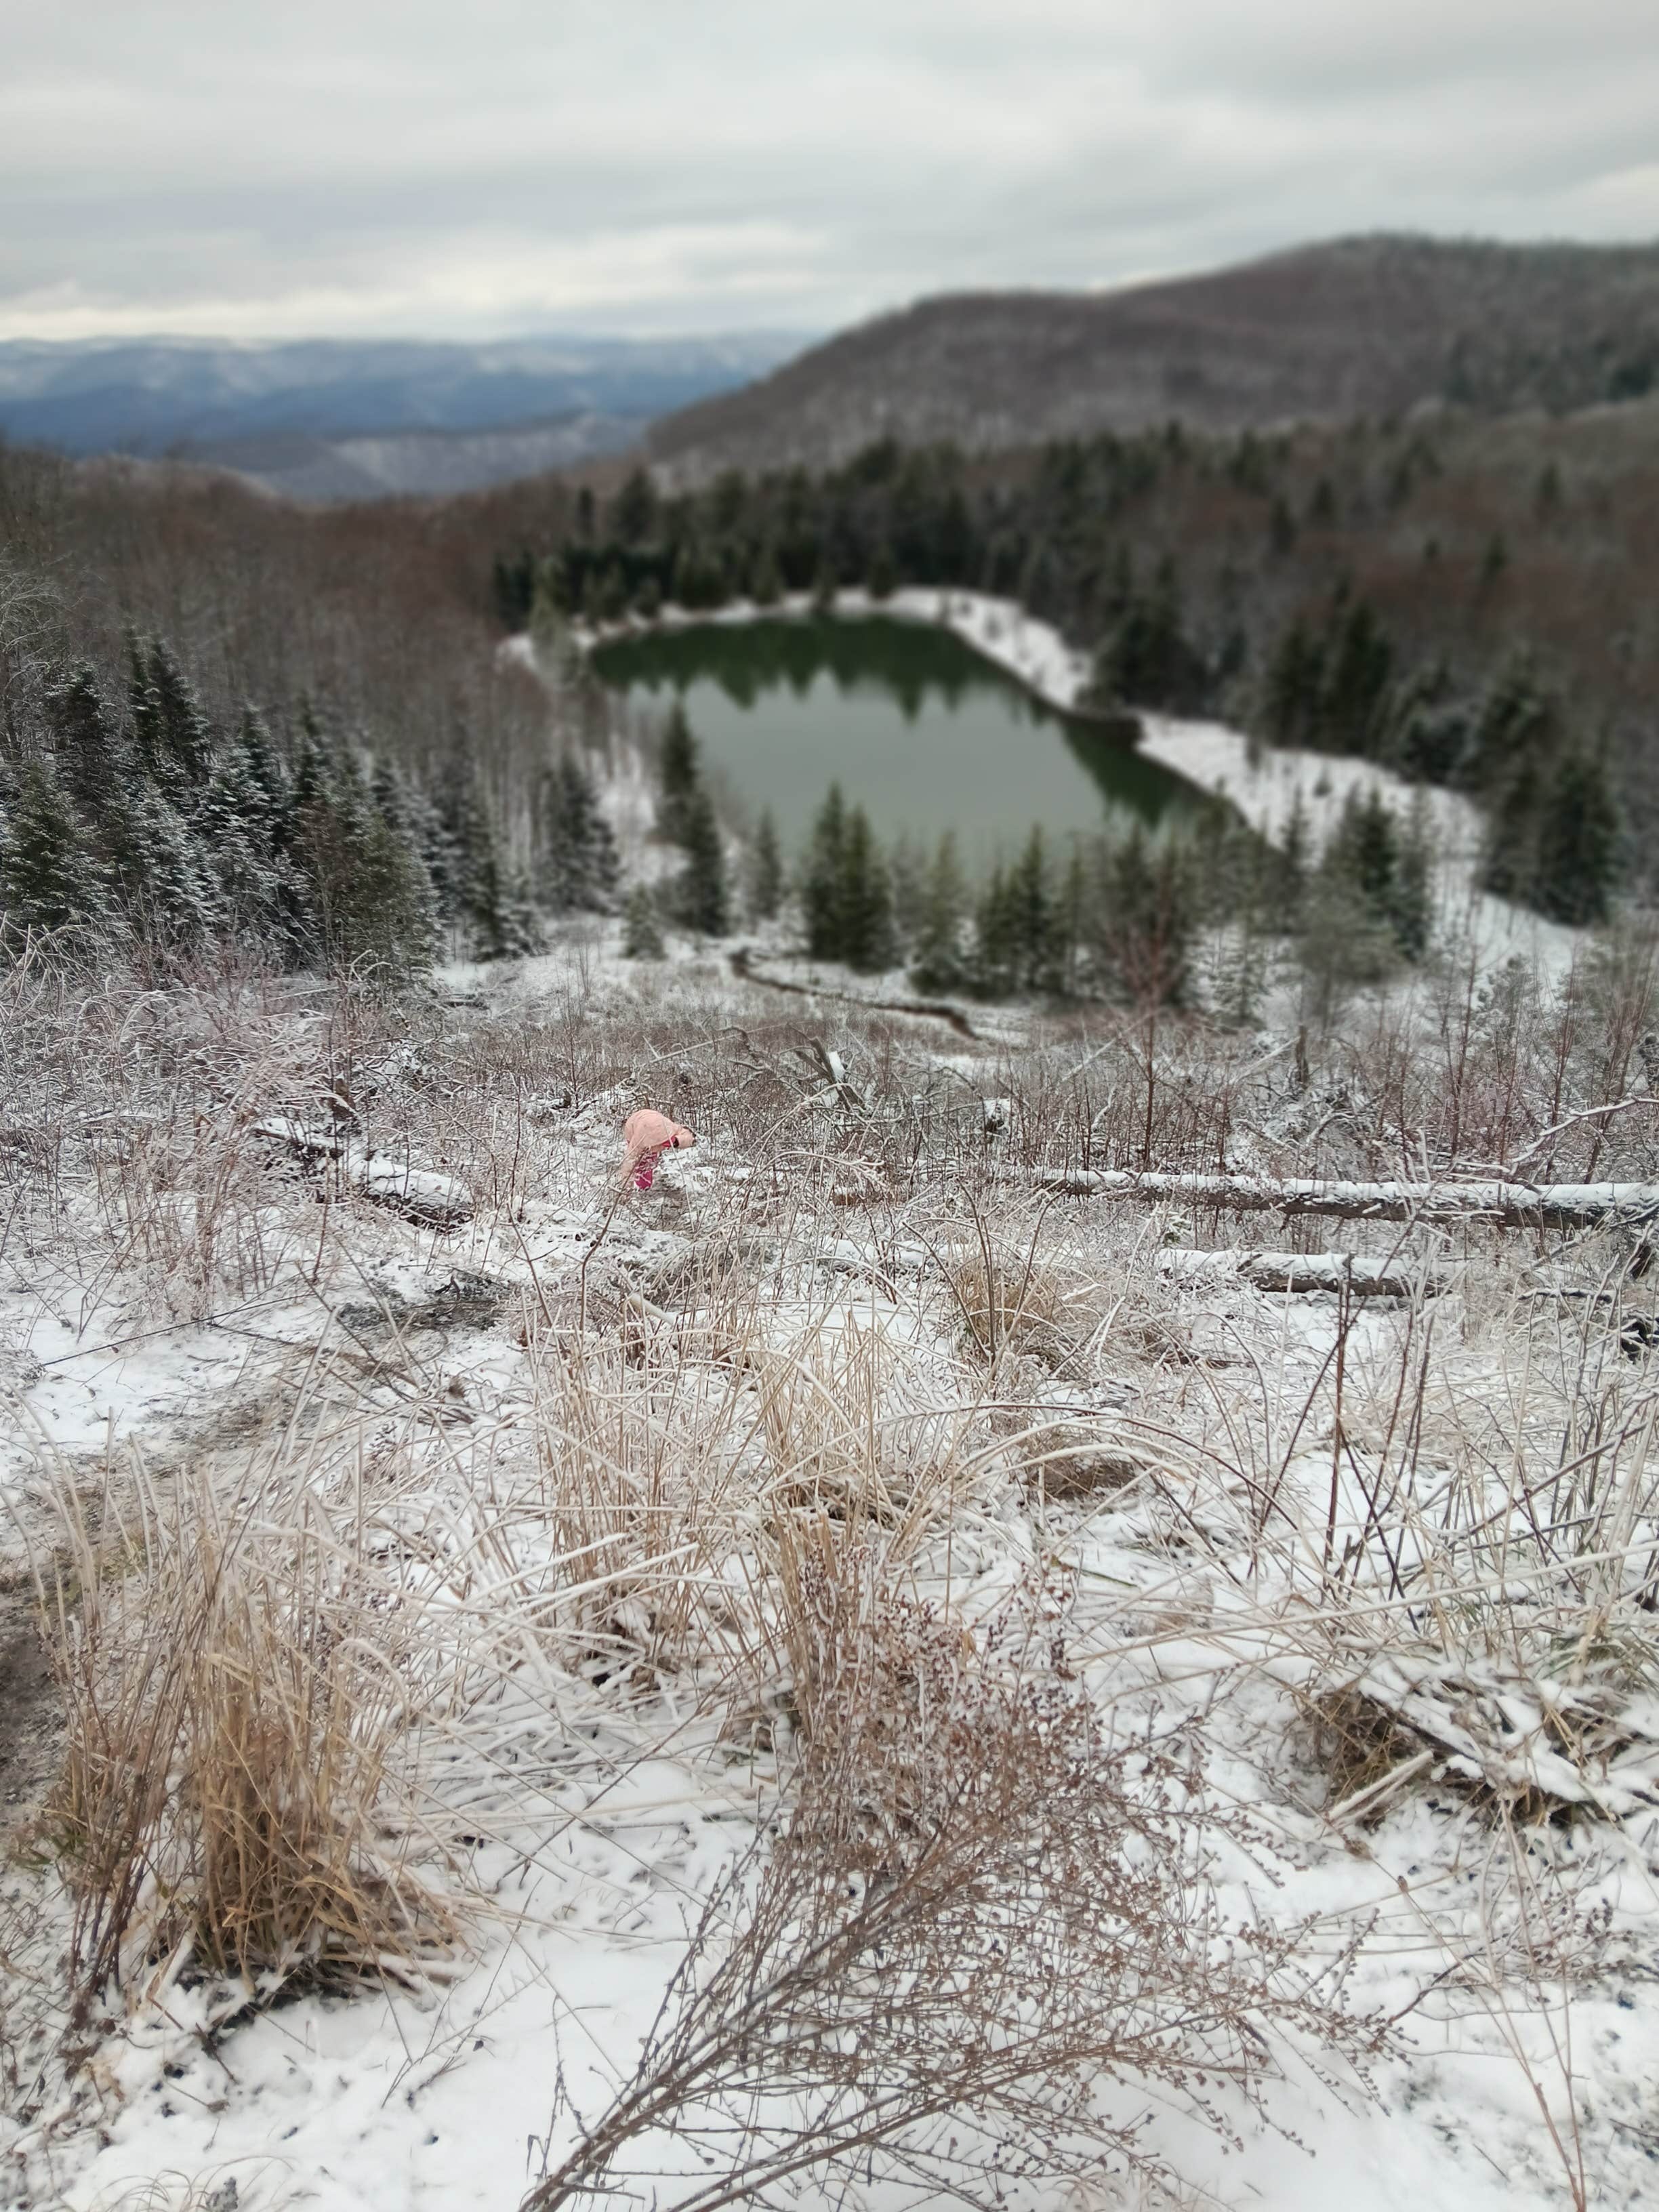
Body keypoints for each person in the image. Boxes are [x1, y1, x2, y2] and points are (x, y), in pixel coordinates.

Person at [621, 1108, 696, 1189]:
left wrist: (676, 1141)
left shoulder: (669, 1127)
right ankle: (641, 1187)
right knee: (640, 1163)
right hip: (634, 1126)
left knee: (649, 1163)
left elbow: (688, 1136)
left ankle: (644, 1187)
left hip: (654, 1120)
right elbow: (629, 1161)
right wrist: (625, 1189)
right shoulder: (639, 1139)